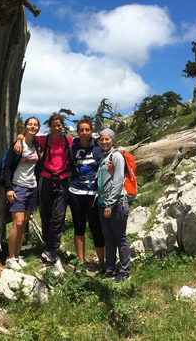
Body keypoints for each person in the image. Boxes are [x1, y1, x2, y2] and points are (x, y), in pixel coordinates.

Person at [16, 113, 72, 264]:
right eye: (53, 126)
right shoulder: (44, 139)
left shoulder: (68, 140)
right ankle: (48, 246)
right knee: (45, 214)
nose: (56, 128)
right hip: (46, 179)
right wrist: (20, 139)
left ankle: (51, 248)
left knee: (58, 216)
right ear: (50, 127)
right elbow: (28, 135)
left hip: (62, 180)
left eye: (58, 125)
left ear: (62, 126)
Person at [1, 117, 42, 270]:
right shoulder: (18, 145)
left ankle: (17, 256)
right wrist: (9, 188)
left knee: (24, 223)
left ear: (38, 128)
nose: (33, 126)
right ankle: (10, 258)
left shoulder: (36, 145)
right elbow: (6, 167)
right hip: (18, 187)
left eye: (35, 125)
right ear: (25, 127)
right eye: (30, 124)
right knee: (17, 223)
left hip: (32, 188)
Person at [68, 119, 105, 271]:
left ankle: (102, 262)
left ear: (91, 130)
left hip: (94, 193)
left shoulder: (98, 145)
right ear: (77, 132)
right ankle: (81, 262)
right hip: (76, 191)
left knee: (96, 227)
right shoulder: (72, 147)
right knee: (79, 227)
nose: (84, 133)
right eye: (81, 130)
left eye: (87, 130)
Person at [97, 128, 131, 282]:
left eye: (107, 139)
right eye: (101, 139)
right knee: (109, 238)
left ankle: (124, 271)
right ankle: (110, 269)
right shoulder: (103, 157)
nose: (104, 142)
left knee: (120, 238)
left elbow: (118, 181)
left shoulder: (116, 156)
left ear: (112, 140)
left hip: (116, 204)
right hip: (103, 204)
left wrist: (109, 204)